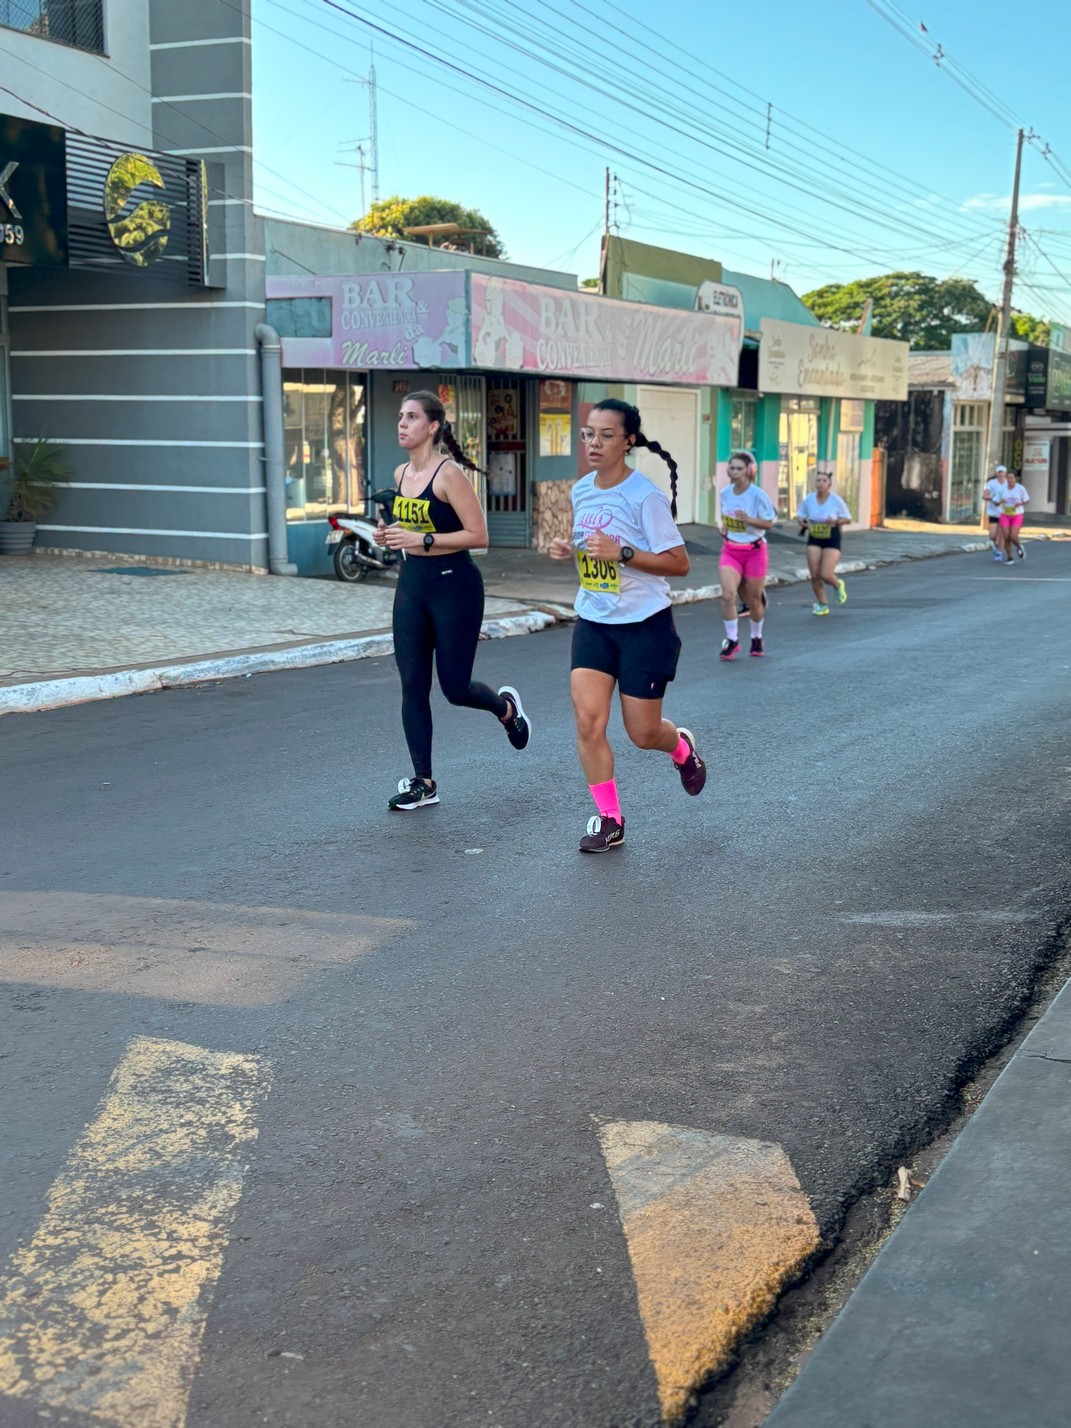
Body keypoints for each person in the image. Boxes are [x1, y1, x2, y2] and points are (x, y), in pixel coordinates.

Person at [548, 399, 707, 854]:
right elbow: (593, 550)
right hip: (594, 621)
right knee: (587, 722)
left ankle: (679, 748)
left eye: (606, 435)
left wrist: (622, 553)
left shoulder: (645, 496)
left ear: (628, 441)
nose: (594, 443)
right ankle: (610, 820)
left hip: (644, 625)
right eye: (588, 434)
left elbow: (679, 564)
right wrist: (572, 551)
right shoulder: (581, 491)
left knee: (642, 733)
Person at [375, 391, 531, 811]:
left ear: (433, 426)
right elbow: (407, 529)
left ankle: (506, 709)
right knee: (412, 686)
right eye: (400, 416)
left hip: (454, 587)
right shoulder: (401, 472)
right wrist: (390, 536)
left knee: (455, 688)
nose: (402, 424)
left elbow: (479, 536)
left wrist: (422, 539)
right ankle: (423, 782)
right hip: (412, 587)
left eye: (411, 417)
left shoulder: (449, 475)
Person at [717, 451, 777, 658]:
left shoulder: (758, 495)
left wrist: (749, 519)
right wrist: (724, 527)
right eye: (731, 468)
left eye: (739, 468)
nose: (734, 472)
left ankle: (756, 637)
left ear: (749, 471)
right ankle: (732, 640)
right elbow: (726, 519)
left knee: (753, 600)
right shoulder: (725, 493)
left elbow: (769, 522)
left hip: (754, 551)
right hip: (731, 550)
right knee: (727, 595)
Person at [796, 471, 852, 615]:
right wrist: (803, 522)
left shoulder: (836, 500)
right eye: (818, 480)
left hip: (831, 536)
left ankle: (837, 584)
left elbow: (847, 518)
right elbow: (800, 515)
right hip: (814, 536)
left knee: (825, 574)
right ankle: (822, 604)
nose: (820, 483)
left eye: (824, 481)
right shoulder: (809, 499)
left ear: (829, 484)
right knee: (815, 574)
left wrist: (836, 522)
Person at [998, 471, 1030, 563]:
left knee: (1013, 536)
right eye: (1008, 478)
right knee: (1006, 535)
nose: (1010, 480)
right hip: (1004, 515)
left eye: (1012, 478)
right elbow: (996, 501)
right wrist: (1001, 501)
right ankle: (1009, 557)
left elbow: (1027, 500)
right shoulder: (1002, 489)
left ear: (1016, 479)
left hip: (1016, 515)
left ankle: (1019, 547)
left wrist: (1019, 504)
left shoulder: (1021, 488)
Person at [984, 465, 1010, 561]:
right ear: (996, 473)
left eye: (1002, 472)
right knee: (992, 535)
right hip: (993, 512)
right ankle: (995, 545)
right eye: (999, 472)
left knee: (1001, 533)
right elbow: (985, 495)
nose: (1001, 474)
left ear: (1005, 473)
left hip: (1005, 512)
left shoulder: (1009, 483)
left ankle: (999, 552)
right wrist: (992, 498)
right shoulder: (991, 483)